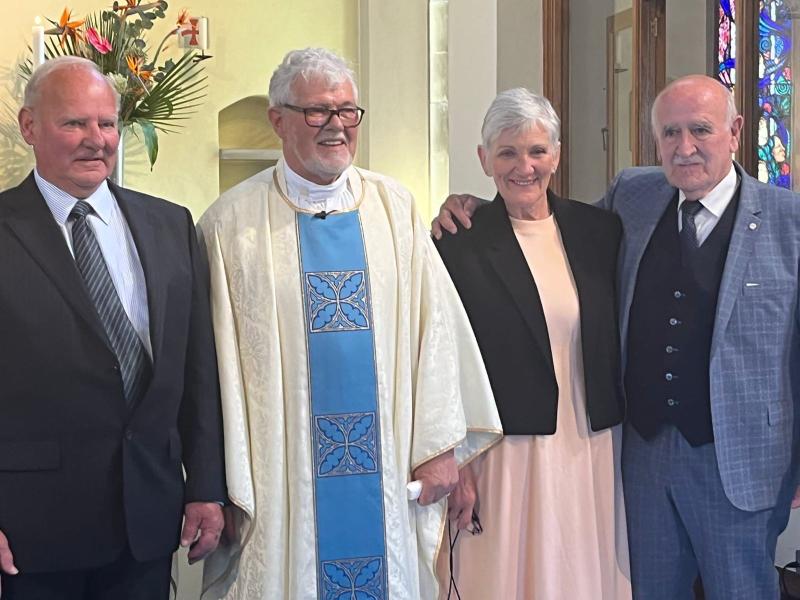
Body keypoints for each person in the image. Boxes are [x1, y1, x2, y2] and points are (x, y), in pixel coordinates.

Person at [433, 74, 800, 599]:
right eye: (670, 133)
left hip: (740, 464)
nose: (685, 147)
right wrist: (472, 206)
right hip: (639, 461)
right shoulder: (634, 197)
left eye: (700, 130)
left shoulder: (791, 221)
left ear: (736, 130)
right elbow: (544, 235)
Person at [198, 48, 502, 600]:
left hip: (385, 468)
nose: (336, 125)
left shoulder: (394, 207)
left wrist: (438, 446)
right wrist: (220, 483)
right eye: (317, 112)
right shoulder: (229, 224)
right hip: (281, 477)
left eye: (347, 111)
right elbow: (209, 366)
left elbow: (433, 332)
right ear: (277, 120)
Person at [0, 56, 226, 599]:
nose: (95, 140)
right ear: (30, 127)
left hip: (145, 523)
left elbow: (197, 371)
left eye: (106, 123)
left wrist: (207, 489)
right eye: (73, 123)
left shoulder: (170, 224)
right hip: (32, 531)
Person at [432, 88, 630, 599]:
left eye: (538, 150)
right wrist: (458, 461)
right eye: (507, 152)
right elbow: (441, 360)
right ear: (484, 159)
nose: (525, 166)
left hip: (587, 445)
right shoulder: (458, 240)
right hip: (501, 453)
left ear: (557, 155)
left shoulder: (600, 231)